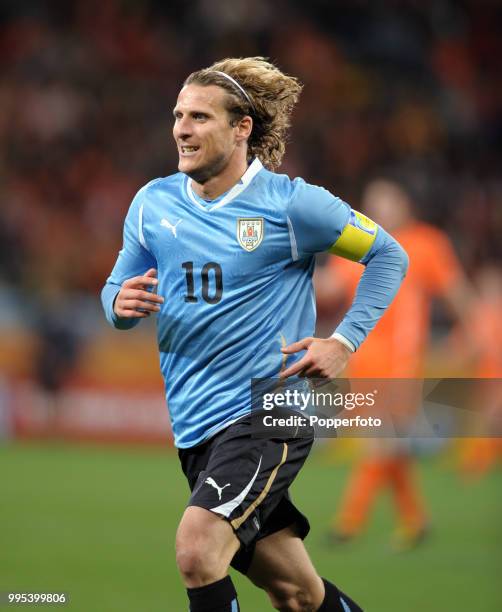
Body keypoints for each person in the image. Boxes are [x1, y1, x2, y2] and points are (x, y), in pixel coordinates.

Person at [101, 57, 408, 612]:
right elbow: (118, 286)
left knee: (197, 552)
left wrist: (344, 340)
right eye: (178, 115)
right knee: (296, 594)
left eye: (199, 116)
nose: (182, 129)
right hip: (196, 425)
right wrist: (118, 305)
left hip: (269, 412)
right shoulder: (153, 203)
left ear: (242, 128)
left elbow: (389, 254)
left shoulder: (292, 205)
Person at [315, 177, 473, 550]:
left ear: (405, 204)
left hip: (401, 363)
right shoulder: (357, 241)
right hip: (361, 360)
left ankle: (348, 523)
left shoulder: (426, 243)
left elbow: (457, 294)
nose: (380, 208)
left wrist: (472, 333)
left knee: (380, 443)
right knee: (389, 445)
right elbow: (329, 289)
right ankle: (414, 520)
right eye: (373, 201)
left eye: (386, 200)